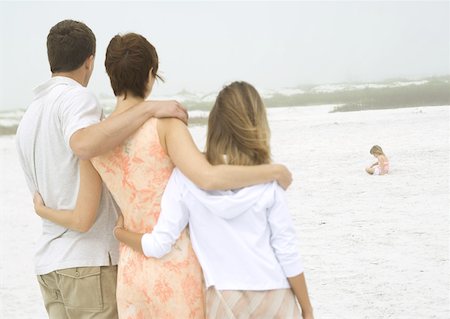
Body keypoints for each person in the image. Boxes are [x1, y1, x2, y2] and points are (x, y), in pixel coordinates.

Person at [33, 34, 292, 318]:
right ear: (150, 74)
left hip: (131, 269)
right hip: (176, 264)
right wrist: (273, 171)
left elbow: (87, 209)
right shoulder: (165, 124)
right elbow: (207, 178)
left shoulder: (98, 142)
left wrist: (44, 210)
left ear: (110, 76)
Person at [15, 19, 188, 319]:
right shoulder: (77, 99)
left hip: (49, 268)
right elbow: (84, 145)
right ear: (90, 61)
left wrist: (43, 212)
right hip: (87, 264)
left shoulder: (29, 115)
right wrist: (148, 108)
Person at [113, 81, 314, 319]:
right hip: (274, 293)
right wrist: (307, 309)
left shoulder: (185, 178)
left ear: (215, 125)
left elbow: (159, 244)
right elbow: (287, 252)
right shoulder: (268, 178)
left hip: (223, 298)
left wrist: (120, 233)